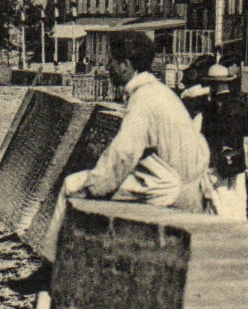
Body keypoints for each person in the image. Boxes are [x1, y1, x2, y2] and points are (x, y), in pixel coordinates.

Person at [62, 32, 213, 212]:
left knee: (70, 184)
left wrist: (93, 186)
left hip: (172, 193)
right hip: (191, 187)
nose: (108, 67)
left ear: (125, 65)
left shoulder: (143, 99)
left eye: (111, 62)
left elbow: (123, 153)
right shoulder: (160, 91)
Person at [200, 64, 248, 221]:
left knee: (220, 203)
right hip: (237, 161)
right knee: (239, 201)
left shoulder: (211, 108)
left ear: (214, 85)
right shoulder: (240, 104)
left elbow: (206, 135)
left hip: (217, 163)